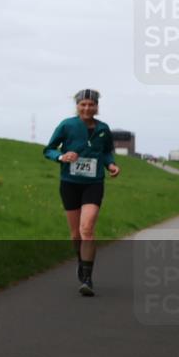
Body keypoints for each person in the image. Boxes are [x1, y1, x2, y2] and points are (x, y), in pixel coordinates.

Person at [43, 89, 121, 296]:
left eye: (91, 105)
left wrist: (111, 165)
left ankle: (87, 278)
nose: (87, 108)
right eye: (83, 104)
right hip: (70, 183)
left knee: (87, 228)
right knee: (75, 233)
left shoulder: (103, 129)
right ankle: (81, 261)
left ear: (97, 107)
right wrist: (61, 157)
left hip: (93, 184)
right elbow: (49, 149)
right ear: (77, 106)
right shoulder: (67, 125)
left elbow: (106, 152)